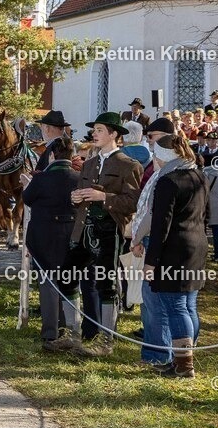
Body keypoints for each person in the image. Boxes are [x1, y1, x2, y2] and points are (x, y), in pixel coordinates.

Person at [69, 112, 142, 357]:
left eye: (99, 130)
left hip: (110, 231)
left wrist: (104, 197)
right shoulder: (88, 164)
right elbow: (80, 195)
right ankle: (72, 333)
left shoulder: (129, 165)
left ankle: (106, 340)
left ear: (114, 134)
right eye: (94, 130)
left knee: (106, 284)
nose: (94, 133)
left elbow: (133, 202)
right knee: (66, 276)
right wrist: (75, 197)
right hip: (83, 230)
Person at [142, 131, 207, 378]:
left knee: (177, 306)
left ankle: (184, 365)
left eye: (156, 155)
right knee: (188, 305)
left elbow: (161, 225)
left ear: (163, 156)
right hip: (196, 245)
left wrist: (151, 262)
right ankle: (184, 358)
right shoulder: (198, 175)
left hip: (174, 250)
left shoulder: (167, 181)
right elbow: (206, 215)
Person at [20, 137, 81, 351]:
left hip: (44, 236)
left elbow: (27, 199)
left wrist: (28, 185)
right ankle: (68, 328)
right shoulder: (79, 178)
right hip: (71, 235)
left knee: (48, 283)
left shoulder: (41, 179)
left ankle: (50, 332)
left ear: (52, 156)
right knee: (69, 282)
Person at [131, 117, 178, 370]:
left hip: (161, 243)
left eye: (153, 137)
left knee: (156, 303)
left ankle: (158, 354)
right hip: (153, 239)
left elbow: (155, 214)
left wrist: (139, 237)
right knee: (152, 302)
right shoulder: (158, 168)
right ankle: (157, 350)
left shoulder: (169, 174)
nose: (149, 142)